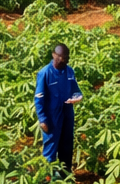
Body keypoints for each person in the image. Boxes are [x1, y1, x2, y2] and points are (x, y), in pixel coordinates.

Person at [34, 43, 83, 173]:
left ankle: (65, 175)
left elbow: (76, 90)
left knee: (66, 146)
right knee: (51, 147)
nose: (64, 60)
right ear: (54, 55)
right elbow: (39, 98)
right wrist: (42, 119)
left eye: (66, 57)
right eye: (61, 57)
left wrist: (78, 97)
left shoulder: (69, 71)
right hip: (52, 117)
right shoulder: (45, 73)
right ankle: (47, 177)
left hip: (67, 113)